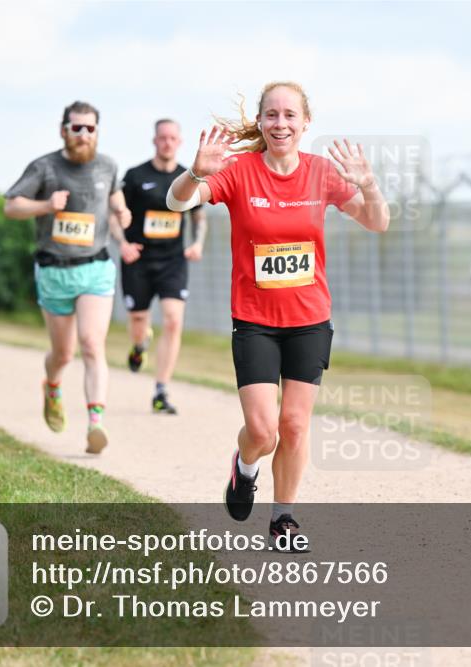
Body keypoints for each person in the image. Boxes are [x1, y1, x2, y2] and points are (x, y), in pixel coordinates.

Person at [167, 81, 389, 551]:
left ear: (305, 122)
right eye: (272, 115)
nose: (280, 124)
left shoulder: (322, 173)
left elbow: (377, 222)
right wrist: (194, 172)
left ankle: (283, 519)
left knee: (294, 426)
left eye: (290, 115)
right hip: (254, 320)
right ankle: (244, 467)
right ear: (261, 123)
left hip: (309, 318)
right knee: (264, 430)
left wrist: (368, 184)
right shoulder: (239, 172)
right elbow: (176, 202)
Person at [3, 100, 130, 454]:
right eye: (77, 127)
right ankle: (53, 385)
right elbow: (11, 205)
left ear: (97, 133)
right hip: (54, 270)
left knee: (92, 343)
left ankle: (95, 424)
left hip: (95, 267)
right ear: (64, 130)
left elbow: (114, 194)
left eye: (90, 128)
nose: (84, 134)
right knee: (63, 353)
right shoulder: (44, 167)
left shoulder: (108, 165)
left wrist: (121, 209)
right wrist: (45, 205)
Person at [115, 119, 207, 414]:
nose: (167, 142)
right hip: (138, 260)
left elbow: (198, 217)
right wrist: (122, 243)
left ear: (180, 142)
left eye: (172, 138)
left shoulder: (187, 178)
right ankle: (140, 346)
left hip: (172, 261)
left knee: (172, 320)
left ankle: (161, 390)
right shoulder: (135, 175)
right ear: (155, 141)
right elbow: (116, 214)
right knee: (139, 323)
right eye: (162, 138)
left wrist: (198, 243)